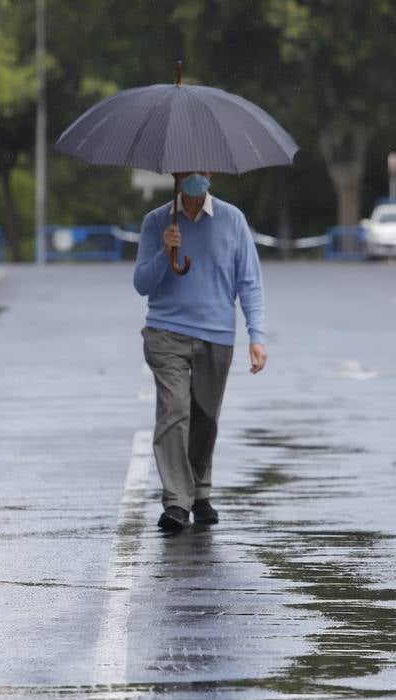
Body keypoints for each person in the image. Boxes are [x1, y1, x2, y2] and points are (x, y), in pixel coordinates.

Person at [132, 171, 267, 532]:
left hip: (216, 333)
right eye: (190, 170)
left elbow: (249, 282)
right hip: (166, 332)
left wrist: (256, 335)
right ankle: (177, 500)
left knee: (205, 417)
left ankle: (199, 490)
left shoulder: (233, 219)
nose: (198, 177)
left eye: (205, 170)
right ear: (176, 175)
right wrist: (165, 251)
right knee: (174, 411)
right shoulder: (157, 221)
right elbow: (141, 284)